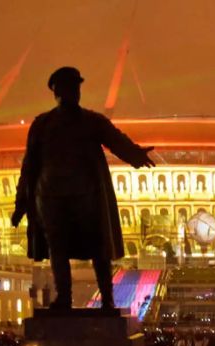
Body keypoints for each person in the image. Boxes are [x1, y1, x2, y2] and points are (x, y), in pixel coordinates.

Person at [12, 66, 155, 310]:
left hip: (85, 196)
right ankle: (64, 298)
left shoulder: (92, 121)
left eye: (76, 87)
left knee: (98, 247)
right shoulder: (42, 125)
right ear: (56, 93)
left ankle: (107, 300)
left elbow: (116, 140)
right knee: (59, 250)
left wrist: (135, 154)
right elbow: (29, 165)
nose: (73, 92)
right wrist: (21, 204)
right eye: (67, 88)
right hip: (52, 197)